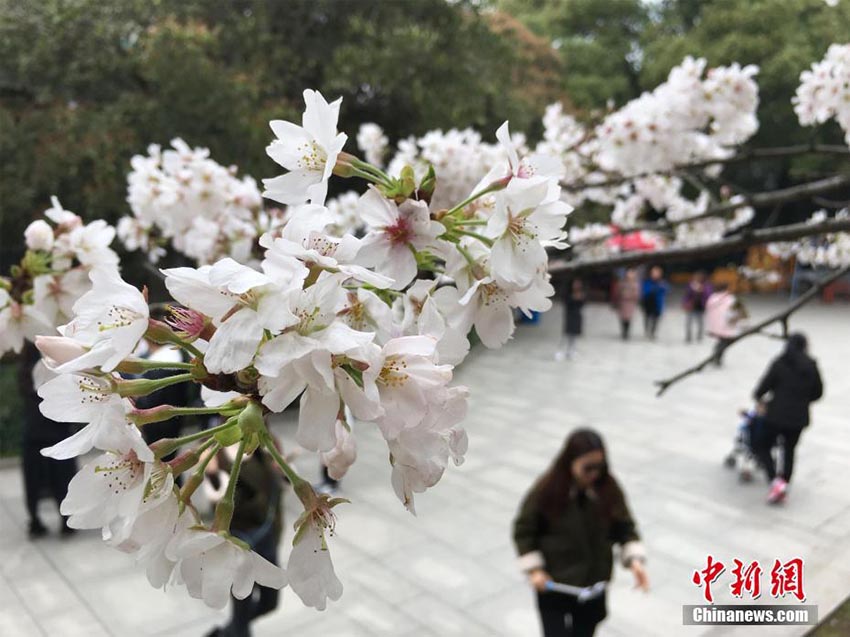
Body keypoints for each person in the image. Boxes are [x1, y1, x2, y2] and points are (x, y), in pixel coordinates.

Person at [513, 429, 649, 637]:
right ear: (571, 461)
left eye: (599, 467)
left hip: (593, 586)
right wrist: (535, 570)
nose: (594, 474)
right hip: (555, 585)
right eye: (588, 467)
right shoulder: (547, 489)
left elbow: (624, 526)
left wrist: (634, 561)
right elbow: (524, 530)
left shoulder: (608, 488)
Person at [204, 443, 286, 637]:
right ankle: (233, 630)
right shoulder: (214, 451)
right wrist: (212, 474)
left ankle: (225, 632)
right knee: (242, 612)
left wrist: (281, 471)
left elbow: (280, 484)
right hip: (239, 542)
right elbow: (217, 500)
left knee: (270, 603)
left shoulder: (265, 442)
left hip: (267, 537)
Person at [752, 333, 823, 504]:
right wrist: (802, 400)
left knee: (761, 445)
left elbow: (761, 389)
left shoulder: (779, 362)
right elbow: (818, 393)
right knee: (789, 451)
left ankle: (775, 481)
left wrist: (761, 400)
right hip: (798, 419)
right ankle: (783, 483)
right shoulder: (811, 365)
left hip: (775, 416)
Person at [18, 343, 77, 538]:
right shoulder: (54, 369)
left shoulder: (24, 370)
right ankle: (66, 521)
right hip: (56, 431)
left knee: (33, 480)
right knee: (62, 477)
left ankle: (35, 520)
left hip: (33, 433)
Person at [705, 284, 747, 366]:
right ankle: (717, 357)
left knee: (721, 341)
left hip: (716, 325)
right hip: (727, 324)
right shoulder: (730, 298)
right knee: (724, 342)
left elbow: (708, 308)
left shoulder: (713, 297)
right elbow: (737, 311)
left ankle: (716, 357)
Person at [556, 279, 585, 361]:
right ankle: (560, 351)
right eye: (575, 284)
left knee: (574, 336)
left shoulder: (581, 293)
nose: (577, 286)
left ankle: (571, 351)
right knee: (566, 334)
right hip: (569, 315)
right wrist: (573, 298)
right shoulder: (567, 294)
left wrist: (580, 299)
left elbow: (582, 304)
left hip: (577, 316)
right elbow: (566, 302)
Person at [682, 272, 712, 343]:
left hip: (700, 307)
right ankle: (688, 337)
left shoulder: (707, 286)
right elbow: (687, 296)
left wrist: (702, 290)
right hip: (691, 307)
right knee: (688, 322)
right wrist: (684, 303)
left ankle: (699, 337)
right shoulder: (691, 285)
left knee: (700, 322)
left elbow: (709, 295)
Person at [640, 266, 667, 340]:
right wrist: (653, 289)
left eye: (657, 273)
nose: (655, 274)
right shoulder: (647, 281)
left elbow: (666, 290)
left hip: (657, 304)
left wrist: (662, 287)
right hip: (648, 303)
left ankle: (652, 333)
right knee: (647, 318)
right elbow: (644, 291)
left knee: (656, 319)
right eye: (654, 273)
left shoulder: (662, 282)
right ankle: (647, 331)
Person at [612, 269, 640, 340]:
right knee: (622, 318)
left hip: (630, 303)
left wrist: (632, 296)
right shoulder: (622, 283)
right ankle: (624, 331)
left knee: (628, 318)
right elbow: (617, 292)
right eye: (629, 273)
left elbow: (637, 294)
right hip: (622, 303)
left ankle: (626, 332)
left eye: (632, 273)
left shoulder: (635, 284)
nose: (630, 275)